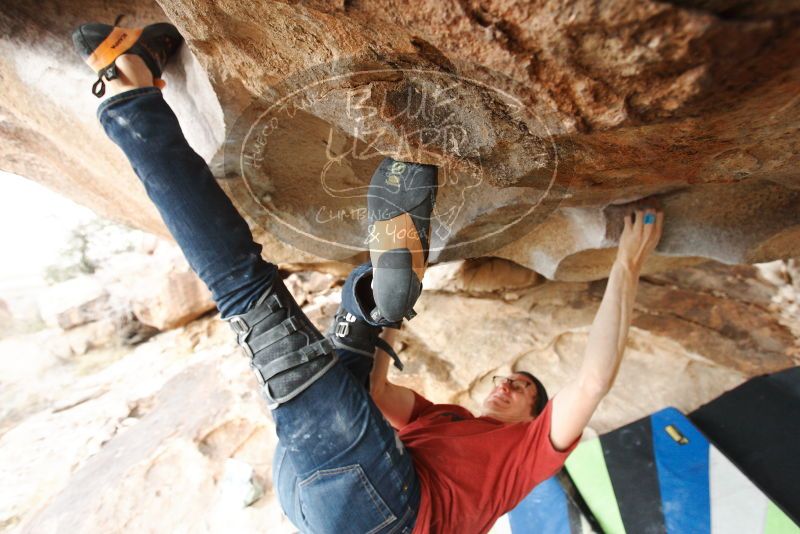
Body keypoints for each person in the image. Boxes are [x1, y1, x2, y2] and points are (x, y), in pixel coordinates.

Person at [71, 20, 664, 534]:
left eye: (524, 389)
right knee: (353, 345)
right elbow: (377, 393)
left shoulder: (528, 455)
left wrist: (627, 263)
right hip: (316, 479)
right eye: (511, 378)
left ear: (537, 416)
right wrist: (389, 325)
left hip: (380, 510)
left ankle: (129, 98)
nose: (508, 384)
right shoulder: (447, 420)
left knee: (245, 288)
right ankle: (380, 304)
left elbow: (592, 379)